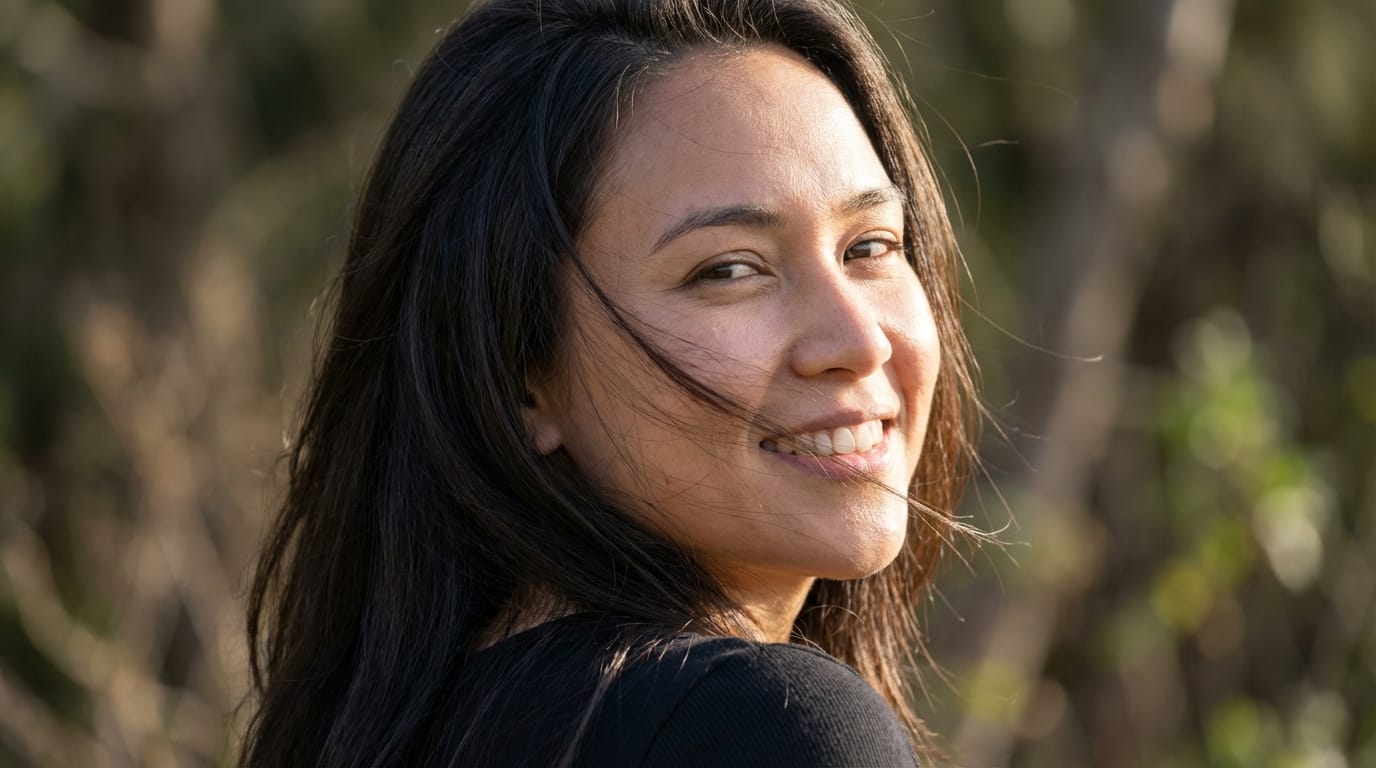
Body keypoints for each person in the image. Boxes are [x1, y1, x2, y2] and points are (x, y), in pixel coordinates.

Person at [240, 0, 979, 764]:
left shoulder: (402, 734)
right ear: (519, 374)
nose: (857, 341)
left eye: (872, 246)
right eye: (727, 269)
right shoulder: (759, 727)